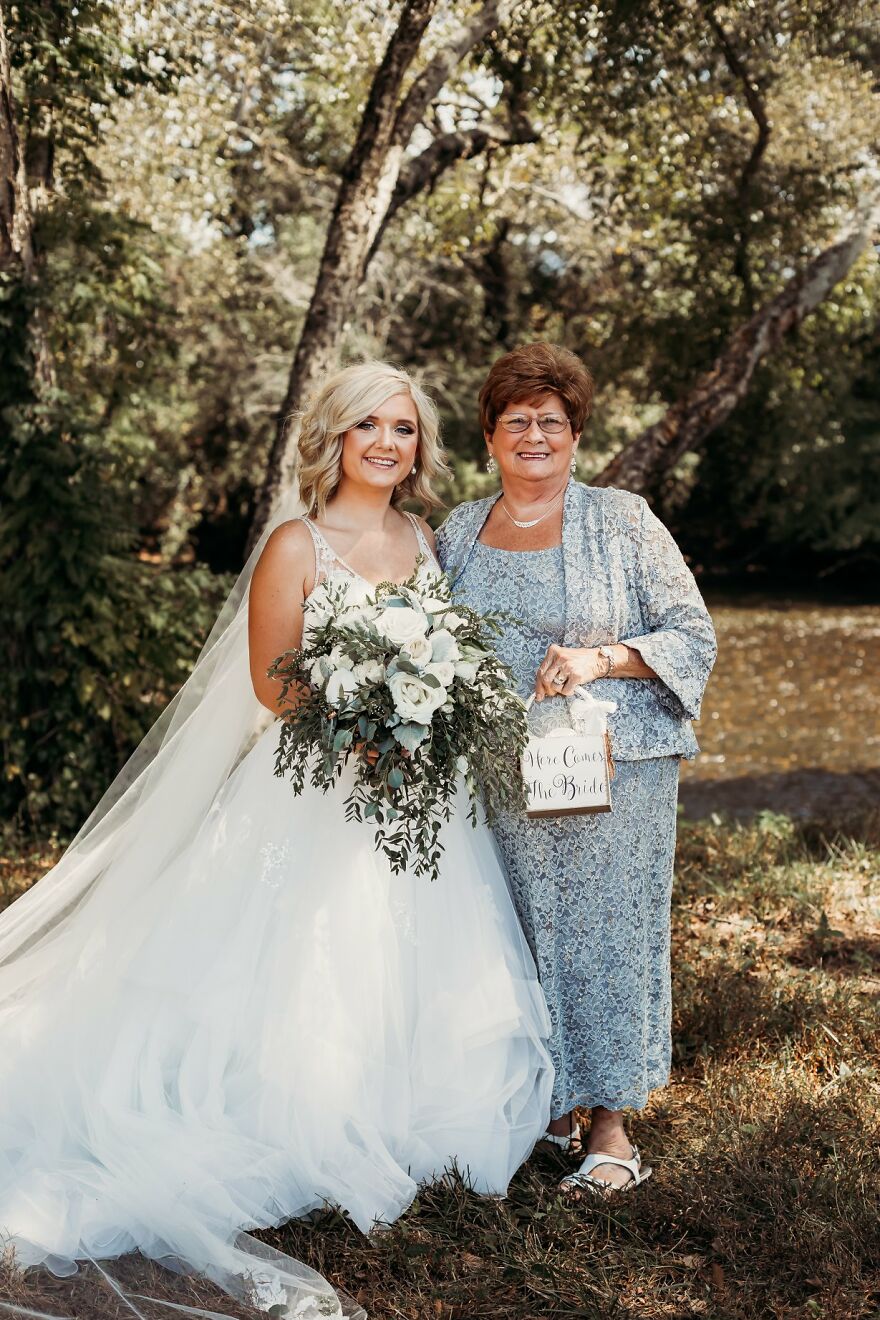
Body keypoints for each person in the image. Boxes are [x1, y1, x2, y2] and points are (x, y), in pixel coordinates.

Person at [0, 361, 552, 1318]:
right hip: (317, 789)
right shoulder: (297, 544)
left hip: (420, 796)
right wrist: (369, 724)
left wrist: (425, 720)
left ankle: (405, 1101)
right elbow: (271, 682)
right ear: (334, 438)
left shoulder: (424, 539)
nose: (389, 442)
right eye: (369, 426)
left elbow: (449, 653)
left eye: (406, 428)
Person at [436, 342, 716, 1196]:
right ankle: (546, 1113)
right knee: (514, 936)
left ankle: (612, 1132)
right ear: (489, 434)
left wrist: (604, 660)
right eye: (515, 419)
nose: (533, 434)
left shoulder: (625, 520)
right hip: (497, 777)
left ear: (575, 433)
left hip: (612, 773)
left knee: (608, 938)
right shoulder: (456, 530)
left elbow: (692, 633)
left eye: (550, 421)